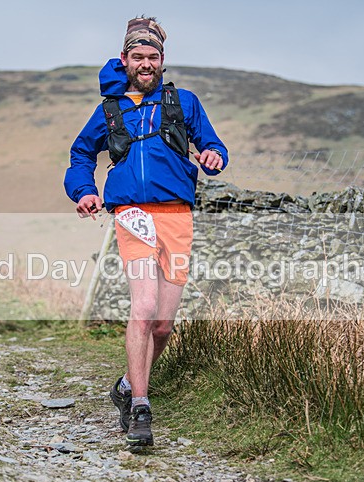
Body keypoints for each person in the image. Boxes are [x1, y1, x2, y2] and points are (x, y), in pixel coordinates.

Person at [64, 17, 228, 447]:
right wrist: (84, 190)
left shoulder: (183, 101)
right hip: (132, 214)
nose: (146, 63)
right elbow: (81, 153)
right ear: (125, 59)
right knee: (145, 306)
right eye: (137, 57)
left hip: (176, 215)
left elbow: (214, 144)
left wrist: (212, 154)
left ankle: (125, 383)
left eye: (153, 57)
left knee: (163, 326)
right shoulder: (110, 110)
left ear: (162, 60)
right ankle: (140, 405)